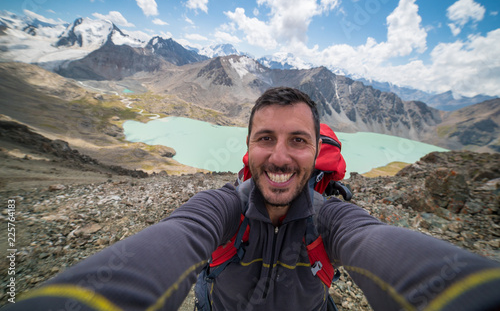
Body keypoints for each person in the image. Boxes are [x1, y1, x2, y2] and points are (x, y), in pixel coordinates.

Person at [6, 87, 500, 311]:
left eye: (297, 141)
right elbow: (179, 236)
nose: (280, 158)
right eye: (265, 138)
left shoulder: (333, 216)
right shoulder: (222, 207)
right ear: (246, 148)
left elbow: (373, 241)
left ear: (314, 151)